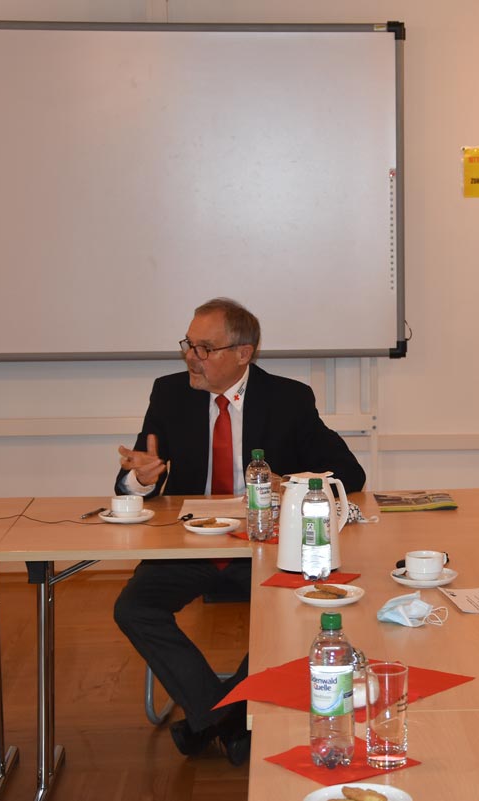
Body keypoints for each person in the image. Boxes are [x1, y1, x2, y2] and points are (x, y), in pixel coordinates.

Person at [113, 298, 366, 765]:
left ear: (244, 353)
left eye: (205, 348)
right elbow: (134, 476)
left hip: (266, 545)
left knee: (297, 613)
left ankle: (210, 718)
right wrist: (140, 478)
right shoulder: (169, 394)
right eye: (188, 344)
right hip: (192, 545)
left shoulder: (289, 398)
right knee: (134, 606)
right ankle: (226, 719)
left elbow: (350, 474)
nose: (192, 356)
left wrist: (286, 485)